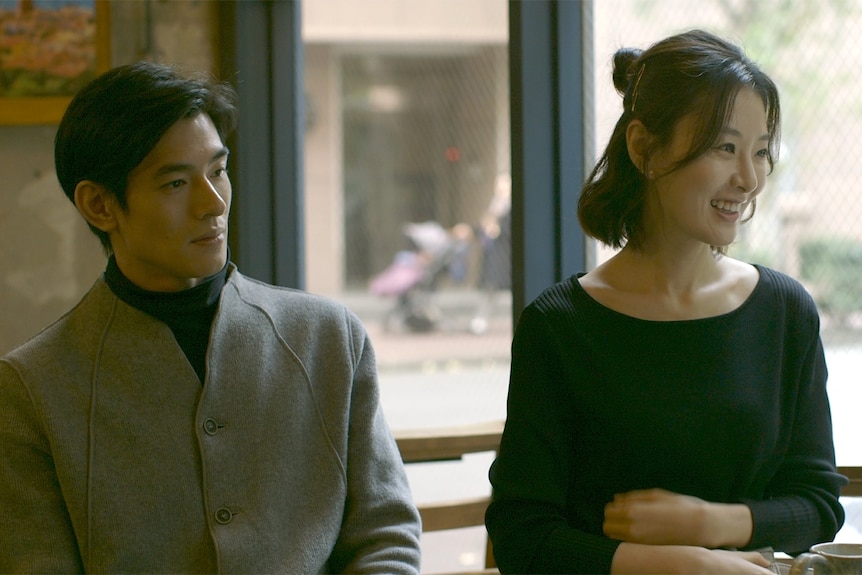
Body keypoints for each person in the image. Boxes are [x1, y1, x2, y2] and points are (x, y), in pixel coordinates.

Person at [0, 61, 421, 574]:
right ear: (99, 205)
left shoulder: (327, 338)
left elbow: (386, 537)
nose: (213, 202)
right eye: (176, 183)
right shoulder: (31, 389)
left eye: (218, 170)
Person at [485, 29, 846, 575]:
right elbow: (522, 536)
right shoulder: (558, 326)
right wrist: (687, 565)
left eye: (762, 152)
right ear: (643, 148)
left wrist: (708, 523)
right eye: (725, 147)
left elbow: (817, 506)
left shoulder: (785, 311)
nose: (748, 179)